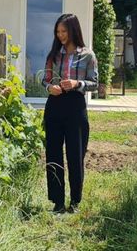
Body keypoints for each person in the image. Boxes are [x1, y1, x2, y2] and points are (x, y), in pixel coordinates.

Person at [42, 13, 98, 213]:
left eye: (64, 31)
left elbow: (95, 83)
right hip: (54, 105)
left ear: (73, 30)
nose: (60, 36)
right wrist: (50, 87)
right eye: (57, 32)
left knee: (76, 154)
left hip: (76, 106)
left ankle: (75, 202)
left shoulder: (88, 55)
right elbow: (45, 79)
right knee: (53, 154)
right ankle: (57, 202)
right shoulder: (53, 55)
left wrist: (77, 84)